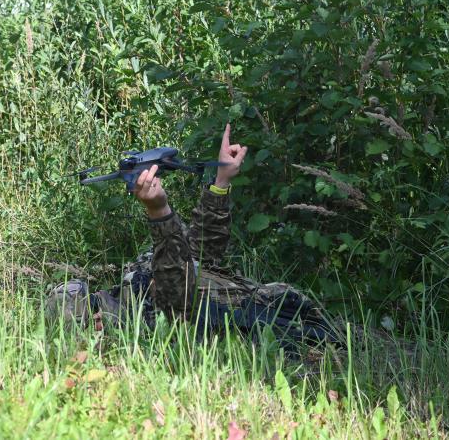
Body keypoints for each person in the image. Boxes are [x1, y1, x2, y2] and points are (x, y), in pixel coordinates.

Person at [46, 124, 339, 349]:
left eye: (91, 316)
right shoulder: (147, 320)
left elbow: (199, 255)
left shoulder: (135, 288)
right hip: (273, 318)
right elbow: (179, 292)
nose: (97, 325)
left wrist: (222, 181)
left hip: (285, 309)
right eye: (91, 322)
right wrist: (159, 212)